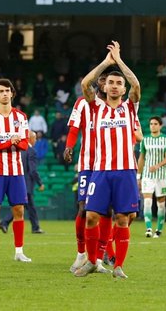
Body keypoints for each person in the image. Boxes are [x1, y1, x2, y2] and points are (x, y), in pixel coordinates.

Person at [75, 41, 142, 279]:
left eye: (118, 84)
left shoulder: (130, 109)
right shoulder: (96, 107)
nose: (114, 86)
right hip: (101, 171)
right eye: (111, 83)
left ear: (123, 90)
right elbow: (85, 83)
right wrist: (106, 62)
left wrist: (120, 61)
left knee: (124, 218)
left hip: (125, 171)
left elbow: (136, 84)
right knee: (91, 216)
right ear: (105, 87)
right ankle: (92, 261)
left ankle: (119, 266)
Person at [0, 78, 32, 263]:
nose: (4, 94)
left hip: (16, 171)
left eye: (7, 91)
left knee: (19, 210)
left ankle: (19, 252)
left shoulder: (21, 117)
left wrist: (17, 142)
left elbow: (25, 144)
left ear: (12, 93)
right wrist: (9, 142)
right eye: (0, 91)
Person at [64, 68, 98, 273]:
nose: (102, 84)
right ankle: (80, 253)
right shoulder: (81, 103)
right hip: (87, 163)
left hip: (108, 165)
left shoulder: (115, 105)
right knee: (83, 208)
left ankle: (100, 256)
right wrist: (69, 146)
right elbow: (74, 128)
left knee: (106, 212)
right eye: (100, 81)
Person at [0, 131, 45, 236]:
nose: (36, 141)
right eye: (35, 138)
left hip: (17, 180)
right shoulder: (31, 151)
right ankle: (6, 222)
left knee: (23, 205)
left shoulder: (19, 150)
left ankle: (5, 223)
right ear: (30, 139)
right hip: (27, 183)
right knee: (27, 206)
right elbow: (33, 170)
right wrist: (40, 183)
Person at [137, 117, 166, 238]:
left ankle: (159, 229)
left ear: (161, 126)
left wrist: (157, 166)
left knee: (161, 204)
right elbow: (141, 158)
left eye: (155, 124)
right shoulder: (145, 140)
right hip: (147, 176)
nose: (153, 126)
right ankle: (148, 228)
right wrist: (138, 176)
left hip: (161, 176)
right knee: (147, 202)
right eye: (151, 124)